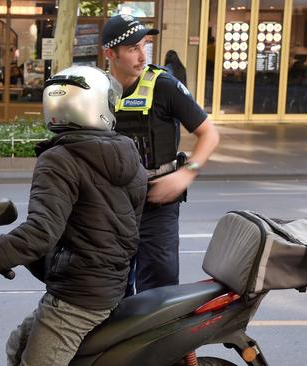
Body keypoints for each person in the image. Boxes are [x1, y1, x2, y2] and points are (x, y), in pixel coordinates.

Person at [0, 65, 147, 366]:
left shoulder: (60, 159)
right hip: (105, 284)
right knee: (17, 344)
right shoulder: (129, 156)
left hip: (79, 297)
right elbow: (103, 225)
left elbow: (42, 232)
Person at [101, 14, 220, 294]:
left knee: (158, 292)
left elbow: (209, 134)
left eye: (145, 45)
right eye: (133, 48)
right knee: (108, 290)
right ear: (110, 53)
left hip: (157, 203)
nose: (142, 55)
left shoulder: (164, 85)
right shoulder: (97, 90)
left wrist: (185, 174)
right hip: (111, 204)